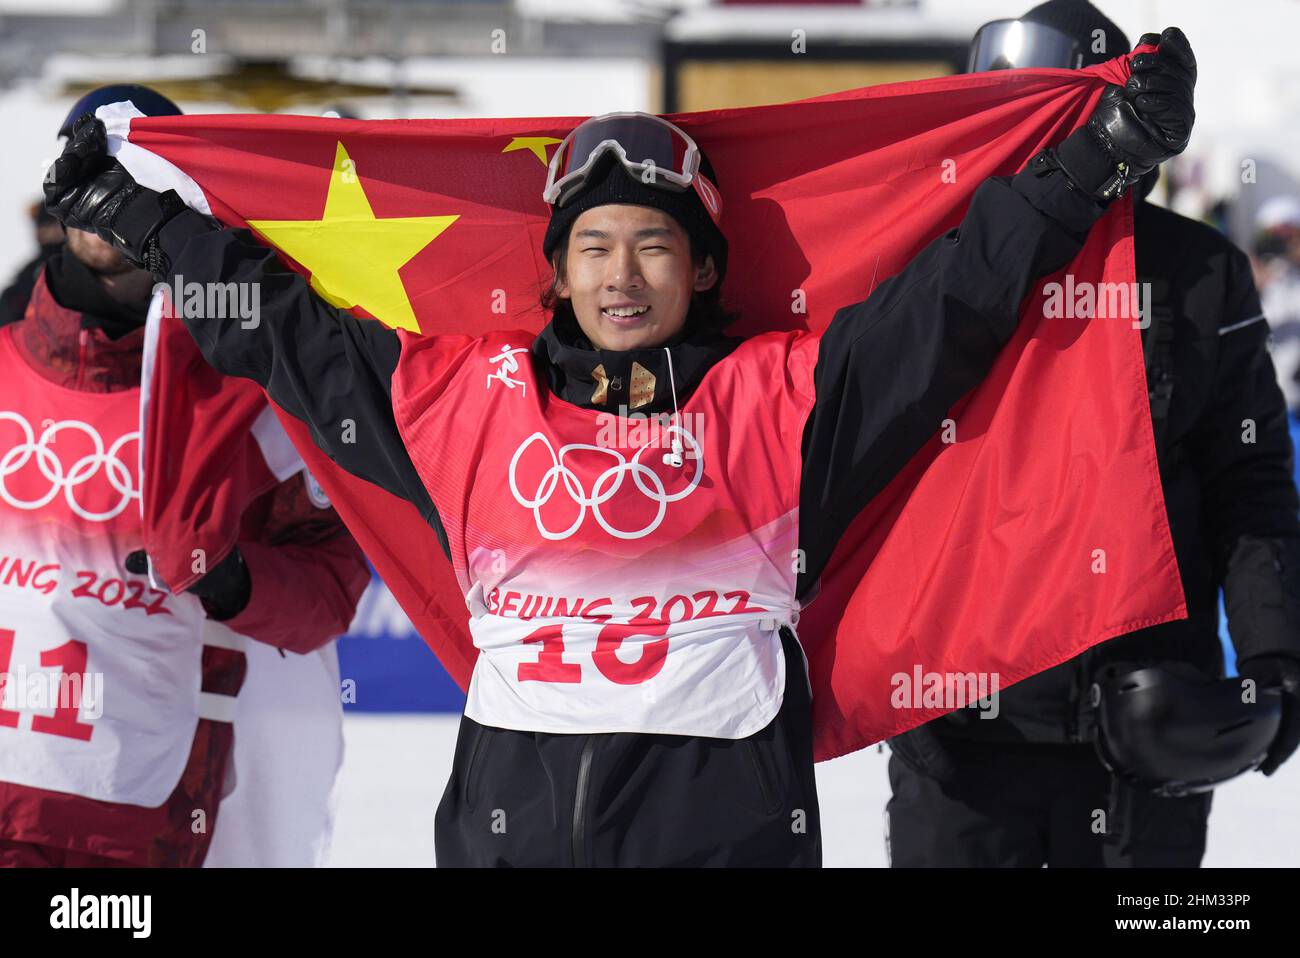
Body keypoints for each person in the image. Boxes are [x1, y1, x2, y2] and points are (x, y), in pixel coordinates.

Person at [42, 29, 1197, 867]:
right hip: (507, 828)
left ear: (702, 269)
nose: (620, 273)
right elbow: (278, 328)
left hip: (726, 824)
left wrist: (1095, 157)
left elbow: (953, 303)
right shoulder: (462, 401)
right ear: (556, 271)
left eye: (653, 244)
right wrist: (145, 219)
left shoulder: (779, 395)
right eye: (593, 246)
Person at [885, 0, 1300, 869]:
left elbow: (1248, 483)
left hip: (1147, 727)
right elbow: (857, 475)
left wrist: (1274, 649)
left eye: (1061, 118)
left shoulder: (1196, 273)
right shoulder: (929, 266)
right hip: (959, 732)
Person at [0, 85, 370, 867]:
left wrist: (233, 583)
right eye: (99, 171)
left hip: (139, 821)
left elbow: (327, 593)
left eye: (143, 178)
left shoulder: (255, 405)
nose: (115, 199)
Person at [0, 202, 64, 327]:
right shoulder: (28, 274)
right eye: (45, 226)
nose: (50, 232)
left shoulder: (81, 264)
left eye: (55, 225)